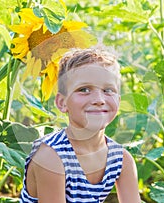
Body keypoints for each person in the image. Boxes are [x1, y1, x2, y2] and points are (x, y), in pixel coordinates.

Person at [20, 46, 141, 203]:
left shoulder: (121, 160)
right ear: (62, 103)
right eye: (84, 89)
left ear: (118, 100)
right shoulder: (50, 158)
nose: (99, 99)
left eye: (108, 90)